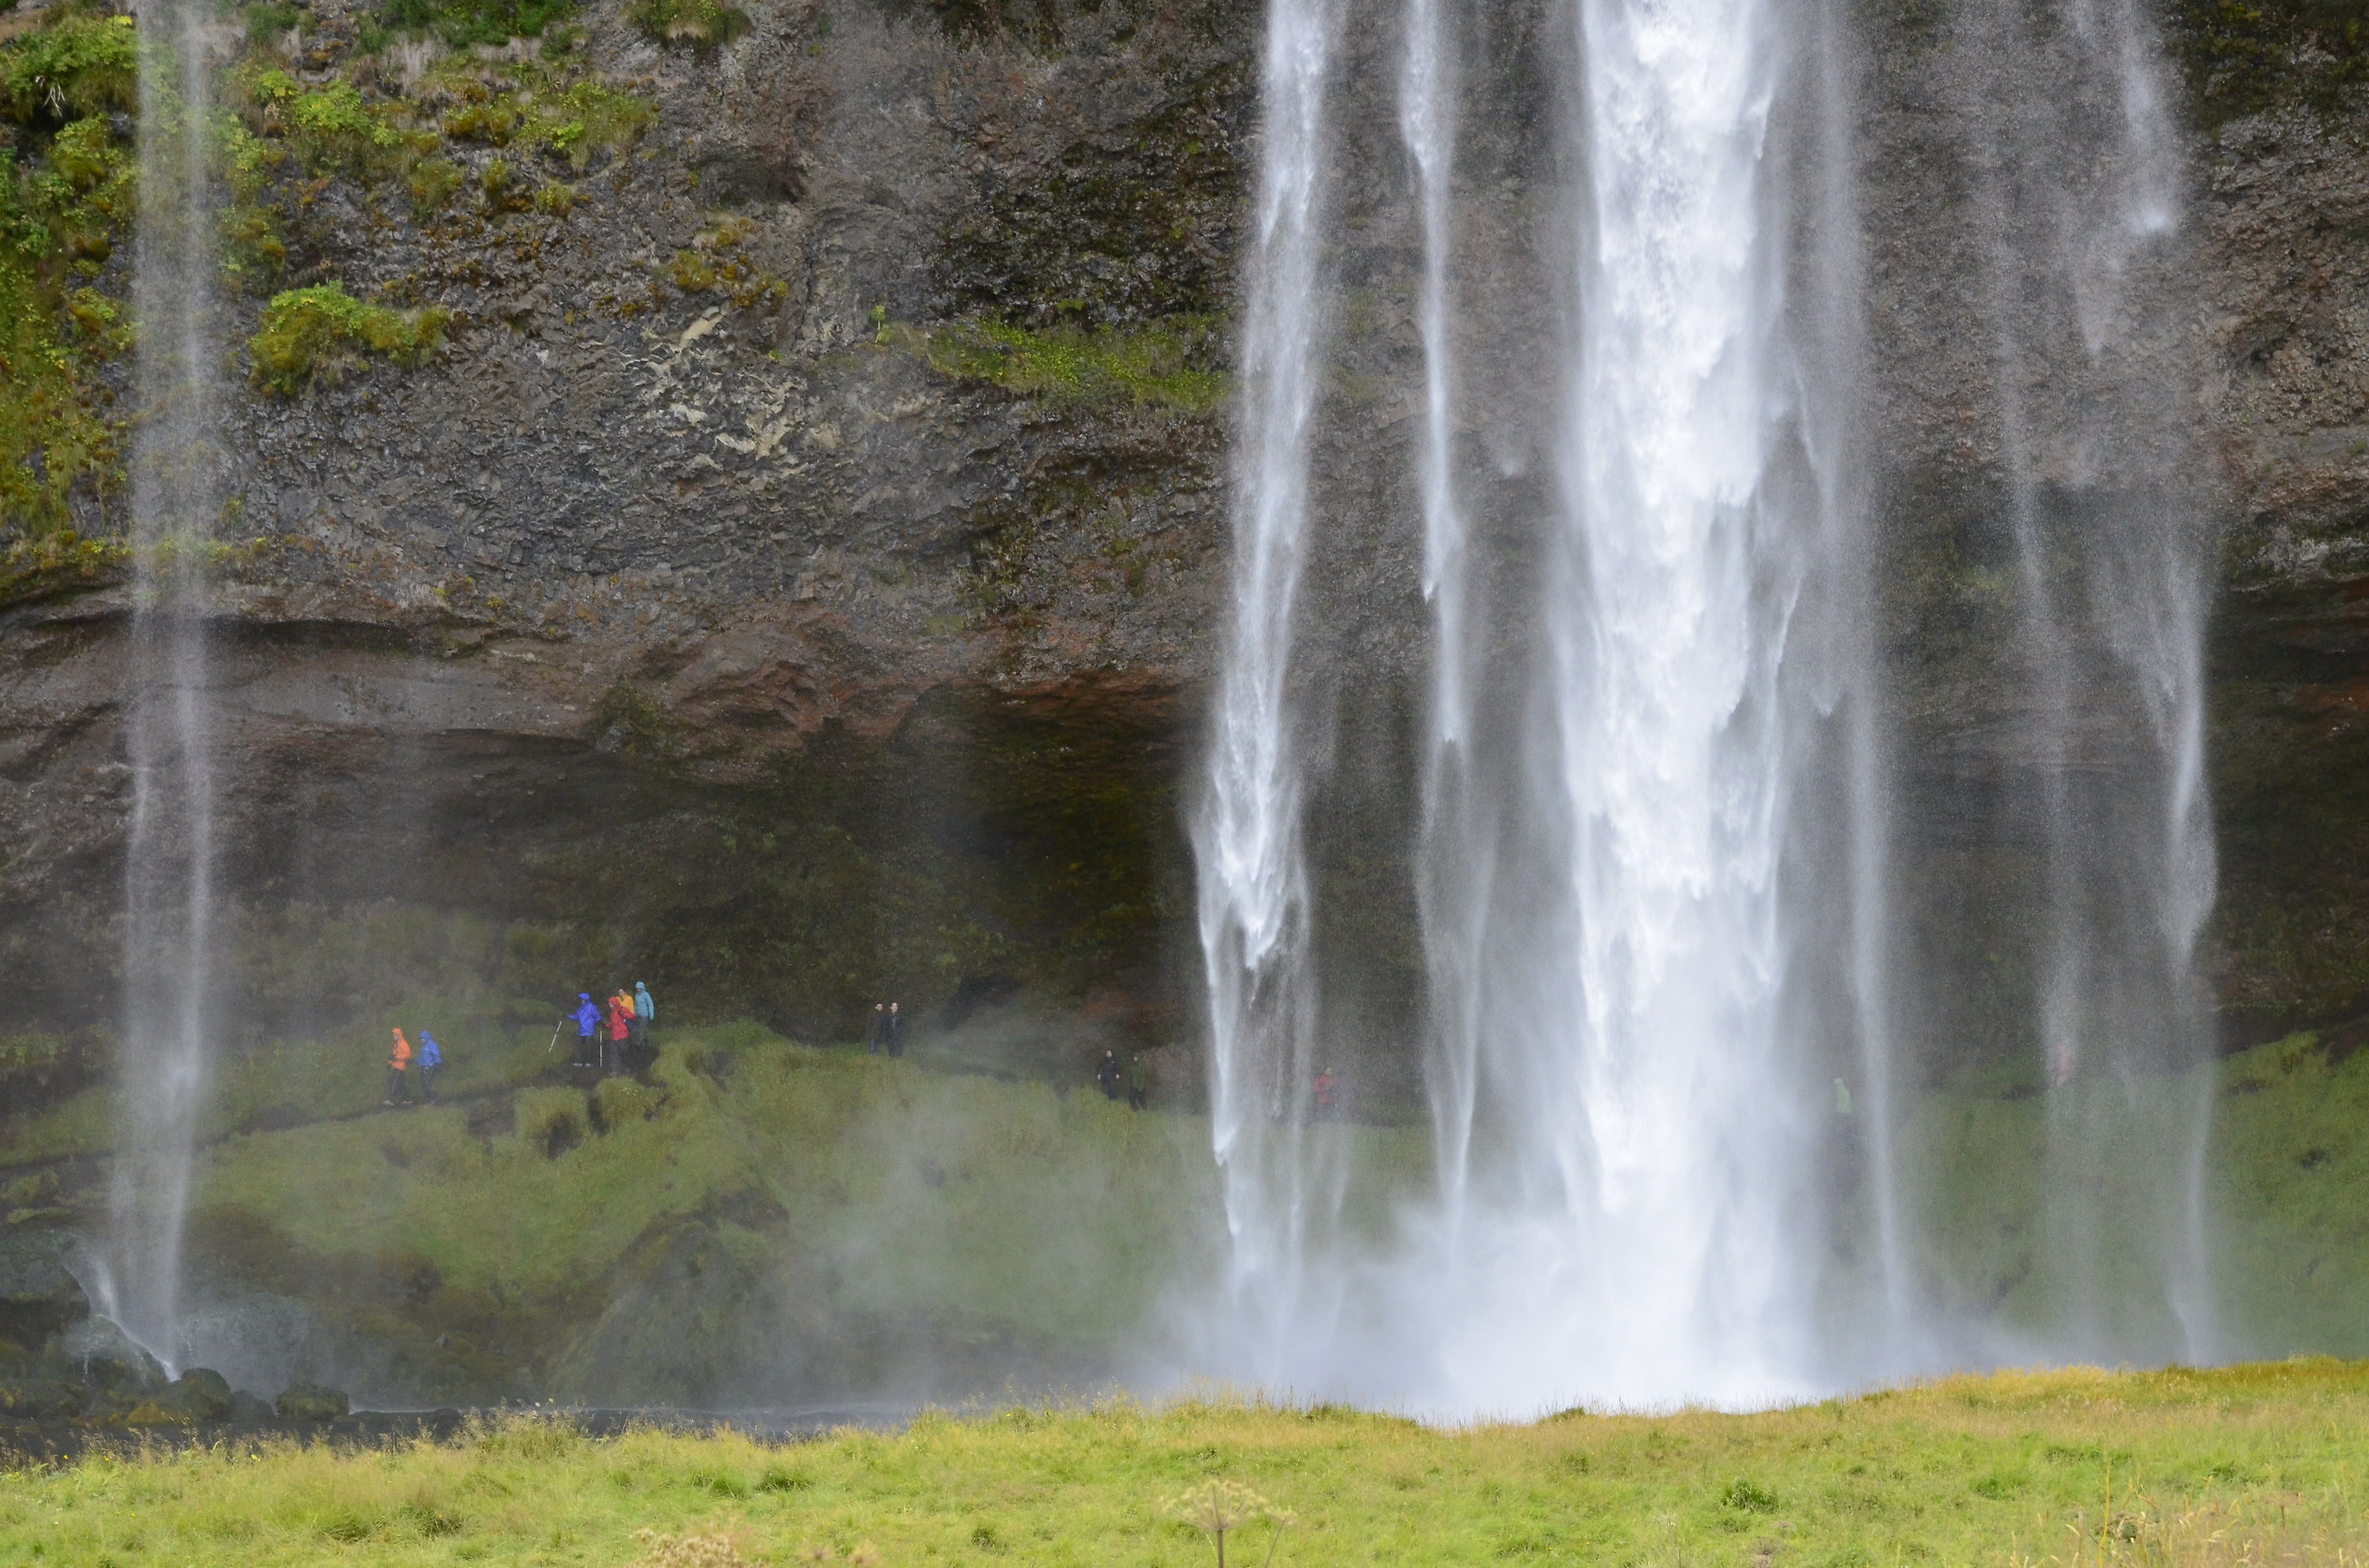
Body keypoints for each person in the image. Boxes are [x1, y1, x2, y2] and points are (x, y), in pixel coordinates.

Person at [384, 1028, 415, 1106]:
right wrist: (390, 1063)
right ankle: (407, 1099)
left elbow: (407, 1055)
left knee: (393, 1082)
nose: (393, 1036)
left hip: (400, 1066)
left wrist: (398, 1058)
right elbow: (393, 1055)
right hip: (396, 1066)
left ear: (398, 1035)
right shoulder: (396, 1044)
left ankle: (391, 1099)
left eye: (395, 1035)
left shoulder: (403, 1044)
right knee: (401, 1084)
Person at [606, 991, 634, 1077]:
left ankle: (627, 1068)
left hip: (622, 1035)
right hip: (614, 1035)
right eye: (609, 1004)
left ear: (614, 1003)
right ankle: (615, 1069)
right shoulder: (613, 1012)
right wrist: (607, 1026)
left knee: (624, 1052)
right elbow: (613, 1023)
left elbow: (632, 1016)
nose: (609, 1005)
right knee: (614, 1053)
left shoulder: (622, 1009)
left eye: (611, 1004)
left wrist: (623, 1014)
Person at [571, 994, 601, 1070]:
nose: (581, 1001)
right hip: (581, 1030)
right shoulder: (580, 1009)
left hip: (589, 1030)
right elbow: (577, 1017)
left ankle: (589, 1062)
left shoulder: (591, 1007)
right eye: (581, 999)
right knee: (579, 1046)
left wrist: (594, 1022)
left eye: (582, 999)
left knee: (589, 1047)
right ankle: (578, 1061)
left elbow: (598, 1016)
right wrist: (568, 1016)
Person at [417, 1029, 443, 1102]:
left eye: (423, 1038)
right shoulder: (424, 1047)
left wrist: (438, 1063)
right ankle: (428, 1098)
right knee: (423, 1083)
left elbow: (436, 1055)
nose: (422, 1040)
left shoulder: (432, 1045)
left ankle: (434, 1097)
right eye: (421, 1038)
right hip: (424, 1066)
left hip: (430, 1066)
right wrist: (416, 1061)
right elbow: (422, 1057)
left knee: (427, 1082)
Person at [633, 982, 655, 1066]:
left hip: (644, 1015)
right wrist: (634, 1013)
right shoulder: (636, 995)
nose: (638, 990)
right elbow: (636, 1005)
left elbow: (650, 1004)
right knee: (637, 1030)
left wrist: (651, 1014)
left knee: (641, 1030)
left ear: (642, 988)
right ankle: (640, 1043)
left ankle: (640, 1046)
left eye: (639, 988)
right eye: (637, 988)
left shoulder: (646, 995)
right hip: (638, 1015)